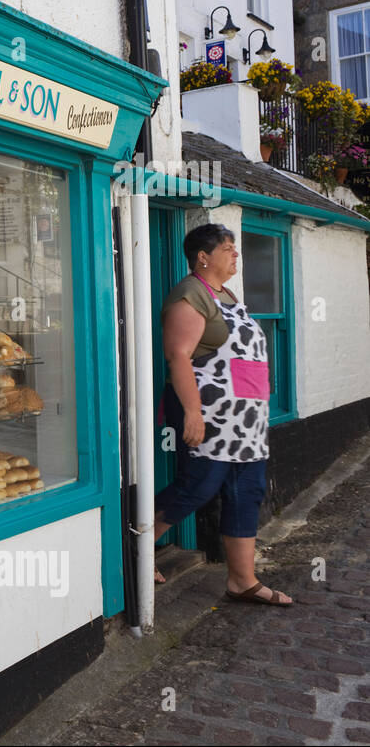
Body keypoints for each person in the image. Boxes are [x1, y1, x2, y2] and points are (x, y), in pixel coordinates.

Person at [151, 223, 291, 605]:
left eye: (236, 249)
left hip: (245, 421)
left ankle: (242, 580)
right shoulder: (189, 294)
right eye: (228, 248)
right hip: (209, 413)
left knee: (246, 493)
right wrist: (192, 413)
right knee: (198, 485)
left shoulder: (227, 294)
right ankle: (135, 546)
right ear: (203, 256)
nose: (236, 255)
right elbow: (178, 354)